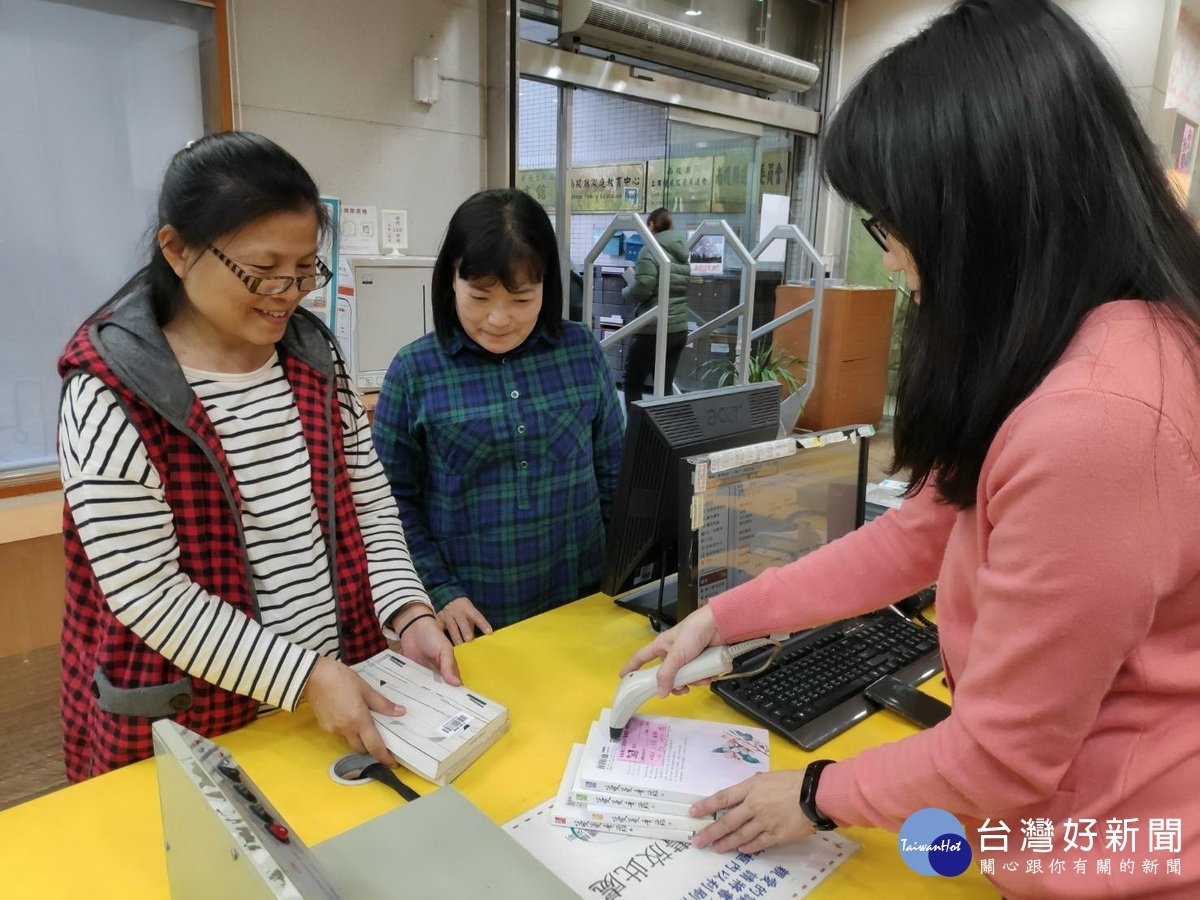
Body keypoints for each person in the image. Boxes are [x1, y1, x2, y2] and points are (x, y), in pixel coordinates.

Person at [621, 1, 1200, 896]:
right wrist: (725, 616)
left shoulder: (1097, 421)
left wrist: (815, 795)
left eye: (893, 229)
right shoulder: (1094, 341)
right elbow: (919, 533)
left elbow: (1005, 758)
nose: (893, 262)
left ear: (981, 211)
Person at [57, 132, 459, 783]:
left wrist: (405, 610)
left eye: (305, 269)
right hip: (195, 712)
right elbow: (148, 593)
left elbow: (367, 499)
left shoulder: (310, 353)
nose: (287, 292)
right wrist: (302, 675)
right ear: (178, 250)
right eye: (263, 268)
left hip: (327, 693)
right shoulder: (110, 391)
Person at [372, 188, 624, 644]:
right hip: (472, 618)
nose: (499, 319)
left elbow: (613, 474)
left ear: (547, 285)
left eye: (522, 299)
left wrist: (624, 573)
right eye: (479, 297)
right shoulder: (415, 371)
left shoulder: (579, 350)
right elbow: (390, 506)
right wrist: (440, 591)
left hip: (584, 604)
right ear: (451, 280)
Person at [621, 207, 691, 409]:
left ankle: (635, 435)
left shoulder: (650, 250)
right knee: (663, 386)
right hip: (678, 328)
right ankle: (664, 433)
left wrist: (627, 291)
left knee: (632, 383)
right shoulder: (681, 253)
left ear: (651, 225)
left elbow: (643, 288)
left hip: (653, 328)